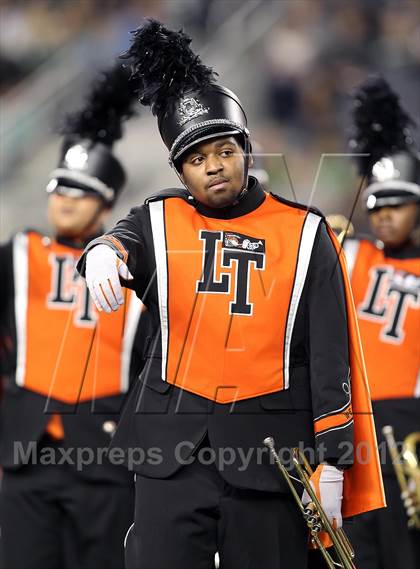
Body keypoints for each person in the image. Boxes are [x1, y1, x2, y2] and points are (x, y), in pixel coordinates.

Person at [78, 21, 385, 569]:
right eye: (196, 159)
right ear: (179, 169)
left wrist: (336, 460)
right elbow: (120, 241)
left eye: (224, 150)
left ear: (246, 149)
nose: (213, 166)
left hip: (272, 454)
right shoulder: (157, 218)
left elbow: (330, 356)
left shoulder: (307, 231)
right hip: (171, 451)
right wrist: (100, 252)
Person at [0, 63, 146, 569]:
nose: (65, 200)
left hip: (104, 457)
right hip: (24, 452)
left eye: (80, 191)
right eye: (60, 187)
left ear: (106, 207)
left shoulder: (136, 266)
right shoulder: (18, 252)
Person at [342, 77, 420, 569]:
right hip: (348, 427)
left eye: (397, 203)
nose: (385, 215)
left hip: (410, 426)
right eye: (376, 204)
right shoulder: (348, 251)